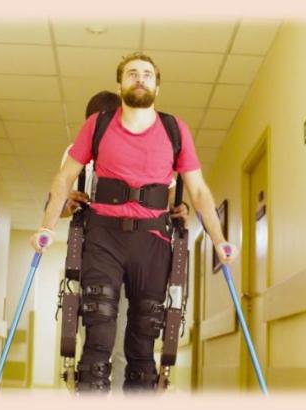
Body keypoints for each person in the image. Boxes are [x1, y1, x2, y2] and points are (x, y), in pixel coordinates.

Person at [32, 52, 234, 394]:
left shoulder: (172, 131)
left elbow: (190, 190)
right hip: (103, 239)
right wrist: (48, 224)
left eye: (147, 74)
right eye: (131, 74)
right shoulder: (92, 133)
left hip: (150, 242)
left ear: (157, 84)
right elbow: (64, 180)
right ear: (119, 84)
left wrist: (214, 235)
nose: (139, 79)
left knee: (140, 341)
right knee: (99, 336)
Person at [58, 91, 188, 220]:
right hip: (92, 231)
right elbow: (57, 206)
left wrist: (178, 207)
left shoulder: (139, 149)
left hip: (135, 230)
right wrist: (66, 204)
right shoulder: (75, 151)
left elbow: (170, 187)